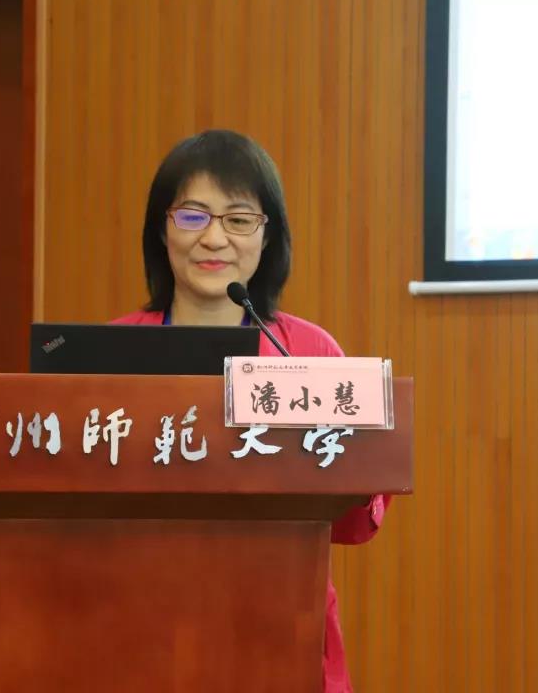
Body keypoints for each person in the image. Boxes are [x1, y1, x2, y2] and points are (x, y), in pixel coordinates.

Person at [112, 129, 390, 693]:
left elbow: (357, 522)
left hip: (280, 629)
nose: (213, 238)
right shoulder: (112, 351)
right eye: (192, 216)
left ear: (267, 237)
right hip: (138, 624)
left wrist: (359, 469)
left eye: (238, 219)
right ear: (162, 230)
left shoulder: (307, 352)